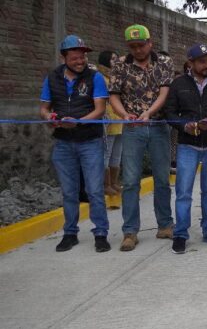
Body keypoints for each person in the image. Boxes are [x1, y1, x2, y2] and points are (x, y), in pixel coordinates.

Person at [40, 35, 110, 253]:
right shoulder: (51, 78)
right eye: (75, 57)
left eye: (83, 56)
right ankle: (70, 233)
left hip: (90, 141)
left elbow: (100, 109)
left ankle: (101, 233)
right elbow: (43, 107)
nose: (80, 61)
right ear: (64, 58)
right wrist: (50, 118)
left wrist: (77, 122)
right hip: (63, 143)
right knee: (69, 192)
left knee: (95, 190)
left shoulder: (95, 77)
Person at [109, 25, 175, 252]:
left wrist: (149, 112)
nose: (137, 50)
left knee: (162, 178)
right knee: (130, 181)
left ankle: (165, 224)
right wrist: (123, 114)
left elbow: (164, 92)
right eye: (133, 46)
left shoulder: (164, 63)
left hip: (158, 125)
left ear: (150, 43)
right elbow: (114, 96)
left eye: (141, 45)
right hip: (132, 128)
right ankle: (130, 231)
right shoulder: (119, 65)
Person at [165, 44, 207, 254]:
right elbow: (170, 112)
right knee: (183, 192)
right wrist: (185, 125)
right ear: (190, 63)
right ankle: (181, 234)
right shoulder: (178, 84)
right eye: (202, 61)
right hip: (187, 145)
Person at [97, 50, 123, 197]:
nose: (116, 61)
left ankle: (114, 182)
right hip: (107, 121)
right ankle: (105, 184)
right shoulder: (100, 78)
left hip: (119, 120)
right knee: (106, 153)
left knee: (117, 155)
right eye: (113, 59)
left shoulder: (116, 78)